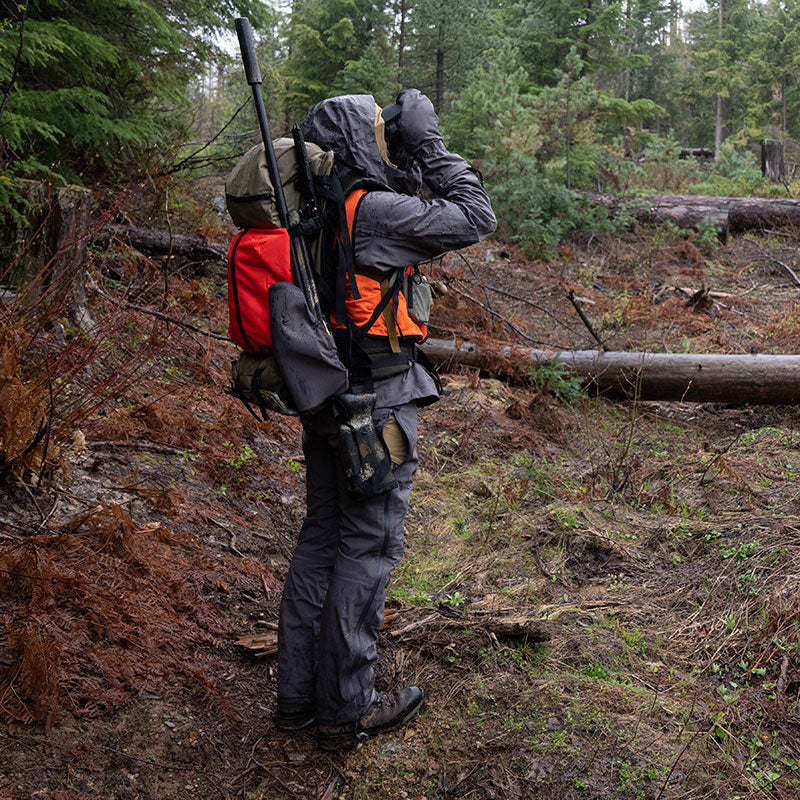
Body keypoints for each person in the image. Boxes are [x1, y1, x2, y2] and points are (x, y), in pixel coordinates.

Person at [275, 89, 496, 750]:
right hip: (376, 406)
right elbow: (475, 215)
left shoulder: (316, 208)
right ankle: (346, 708)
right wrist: (429, 144)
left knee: (322, 538)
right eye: (380, 129)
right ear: (356, 142)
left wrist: (402, 156)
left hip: (326, 395)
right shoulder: (371, 212)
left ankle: (297, 696)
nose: (388, 137)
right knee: (367, 547)